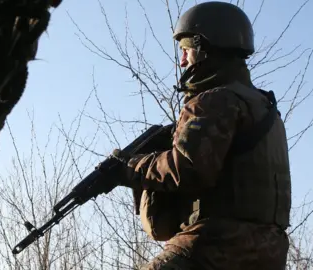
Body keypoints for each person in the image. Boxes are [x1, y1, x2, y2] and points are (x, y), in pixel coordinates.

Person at [113, 2, 292, 269]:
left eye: (185, 51)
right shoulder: (264, 108)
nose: (182, 61)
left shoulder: (214, 101)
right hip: (270, 251)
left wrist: (130, 167)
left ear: (205, 48)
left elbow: (186, 168)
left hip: (216, 244)